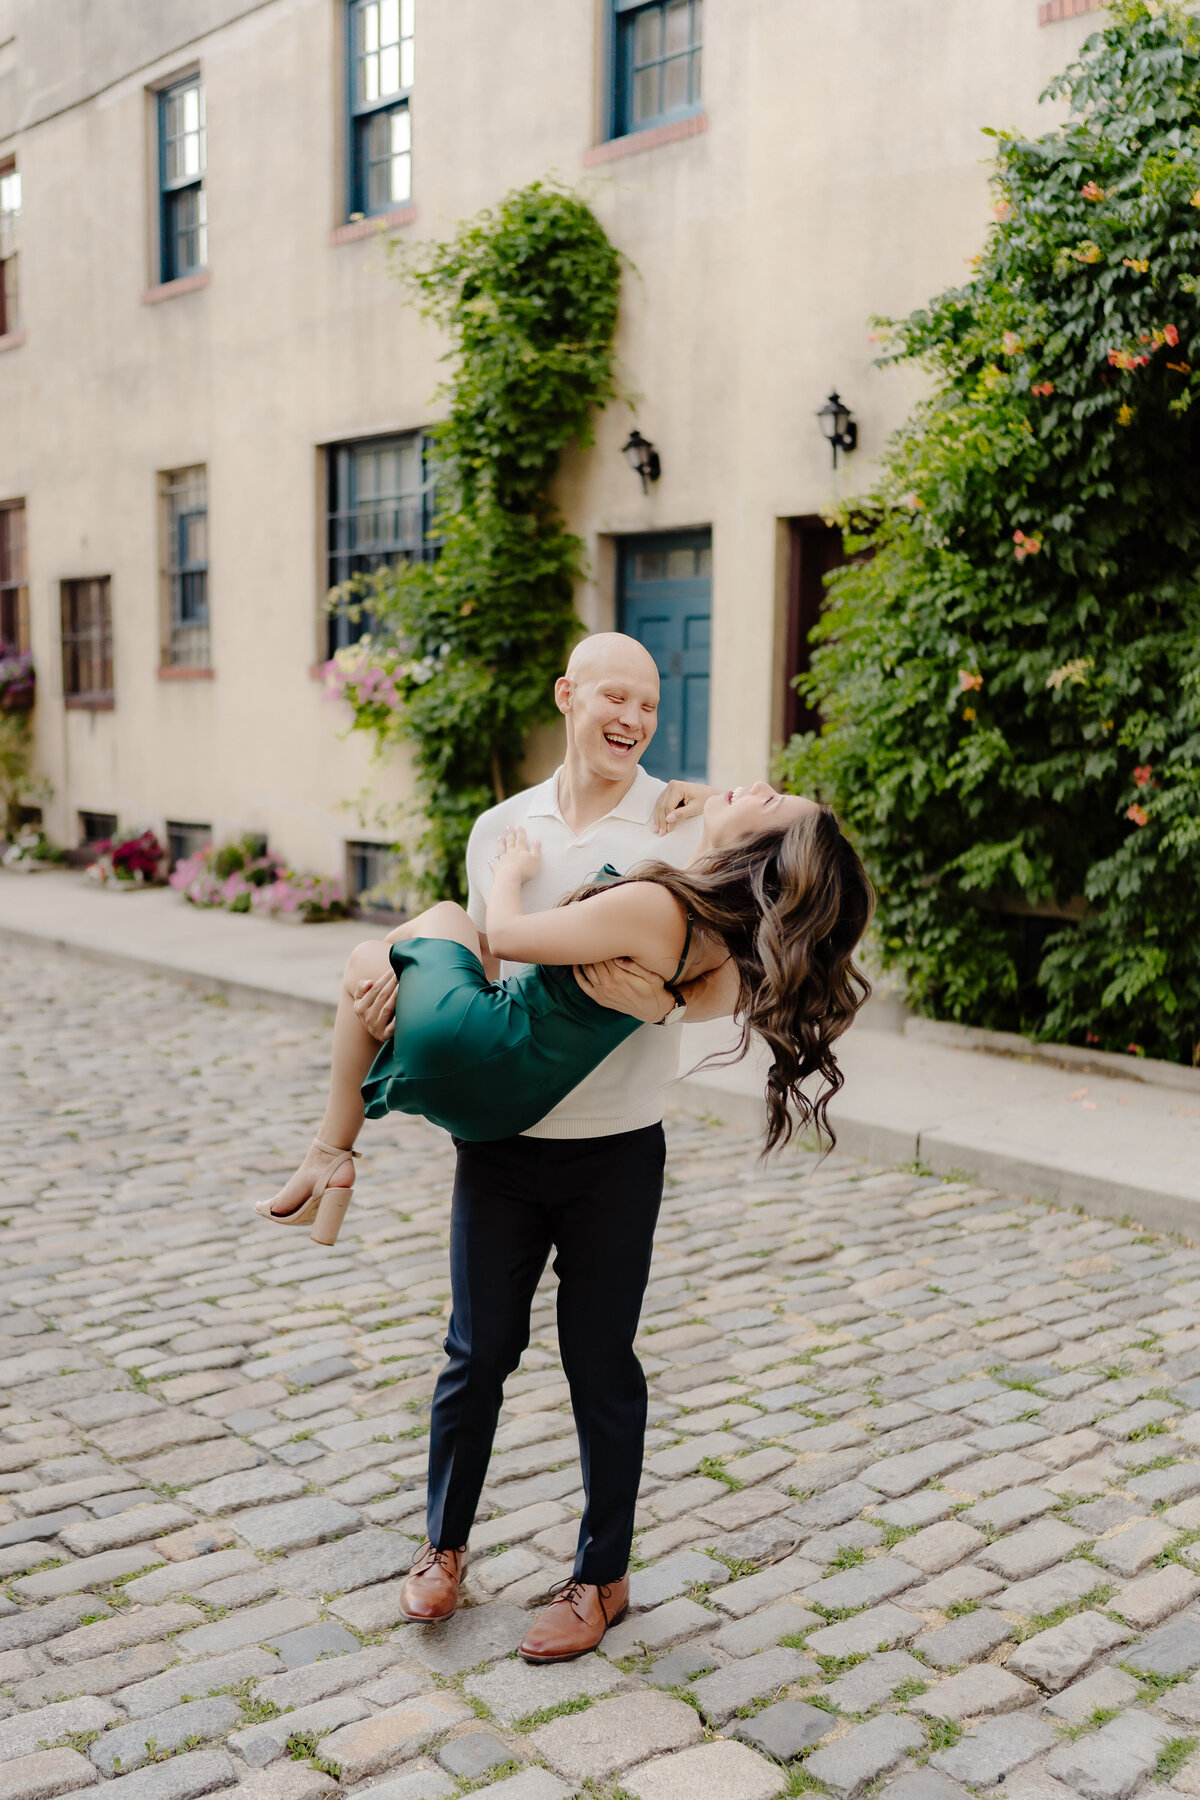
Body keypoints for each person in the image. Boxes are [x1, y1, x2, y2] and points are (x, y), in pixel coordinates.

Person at [255, 634, 874, 1661]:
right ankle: (442, 1549)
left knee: (600, 1364)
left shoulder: (679, 820)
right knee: (475, 1353)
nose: (632, 717)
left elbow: (747, 924)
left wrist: (671, 994)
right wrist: (389, 975)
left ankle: (602, 1576)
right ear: (571, 696)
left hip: (617, 1151)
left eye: (650, 702)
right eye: (614, 696)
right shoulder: (504, 826)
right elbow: (495, 977)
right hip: (502, 1147)